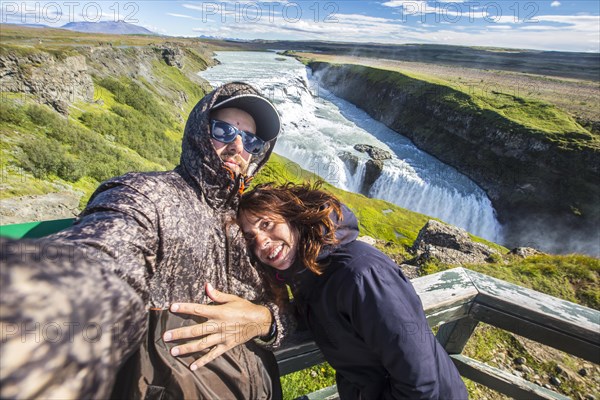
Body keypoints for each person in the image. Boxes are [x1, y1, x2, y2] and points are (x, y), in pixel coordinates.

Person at [0, 82, 292, 399]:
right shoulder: (148, 196)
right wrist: (41, 303)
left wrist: (265, 321)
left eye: (251, 140)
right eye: (223, 130)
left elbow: (295, 308)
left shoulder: (254, 224)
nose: (238, 146)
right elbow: (105, 257)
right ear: (199, 130)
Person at [237, 182, 469, 400]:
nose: (261, 242)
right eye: (250, 238)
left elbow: (419, 378)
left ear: (293, 218)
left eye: (266, 224)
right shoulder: (310, 276)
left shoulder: (362, 275)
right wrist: (267, 319)